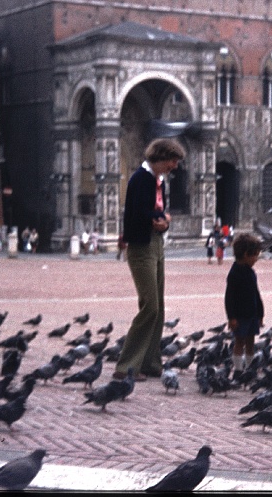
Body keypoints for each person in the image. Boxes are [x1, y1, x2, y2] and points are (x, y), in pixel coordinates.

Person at [113, 137, 186, 382]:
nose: (174, 167)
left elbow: (160, 213)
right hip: (141, 245)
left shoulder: (158, 181)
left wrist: (164, 222)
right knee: (150, 306)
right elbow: (142, 213)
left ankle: (150, 361)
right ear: (162, 157)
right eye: (172, 161)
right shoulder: (140, 179)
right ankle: (126, 366)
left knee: (159, 307)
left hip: (156, 242)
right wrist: (161, 218)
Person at [224, 233, 265, 380]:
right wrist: (231, 317)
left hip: (252, 313)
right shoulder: (234, 274)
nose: (256, 259)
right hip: (240, 315)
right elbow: (229, 298)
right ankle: (238, 369)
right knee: (239, 341)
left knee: (250, 342)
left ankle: (249, 369)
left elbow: (256, 293)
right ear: (246, 254)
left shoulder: (251, 272)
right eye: (255, 256)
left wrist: (260, 313)